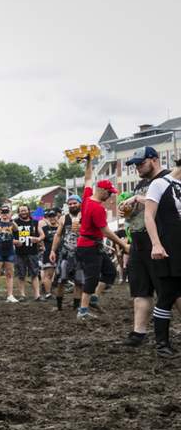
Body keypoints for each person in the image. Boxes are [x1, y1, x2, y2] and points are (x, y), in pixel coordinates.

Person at [119, 147, 176, 346]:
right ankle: (138, 333)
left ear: (154, 159)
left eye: (140, 163)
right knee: (140, 290)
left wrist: (138, 199)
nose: (137, 168)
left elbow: (169, 206)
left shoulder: (169, 178)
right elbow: (136, 213)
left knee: (171, 291)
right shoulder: (142, 183)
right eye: (135, 164)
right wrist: (127, 209)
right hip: (138, 242)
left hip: (160, 242)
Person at [75, 156, 128, 321]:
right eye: (110, 193)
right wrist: (123, 245)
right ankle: (82, 312)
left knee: (110, 272)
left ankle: (94, 300)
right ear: (103, 191)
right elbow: (105, 231)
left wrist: (89, 162)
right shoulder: (97, 208)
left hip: (92, 245)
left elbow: (88, 179)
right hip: (89, 246)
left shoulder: (86, 198)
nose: (111, 196)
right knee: (91, 278)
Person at [142, 161, 181, 357]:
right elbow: (149, 216)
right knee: (166, 294)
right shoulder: (160, 184)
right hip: (168, 248)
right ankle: (162, 344)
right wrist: (156, 244)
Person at [50, 196, 84, 312]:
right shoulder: (64, 218)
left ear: (80, 203)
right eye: (70, 204)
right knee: (61, 280)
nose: (72, 205)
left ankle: (76, 307)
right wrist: (53, 251)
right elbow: (58, 235)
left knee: (79, 281)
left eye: (75, 203)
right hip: (65, 252)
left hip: (80, 253)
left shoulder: (85, 216)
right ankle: (59, 307)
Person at [0, 205, 18, 304]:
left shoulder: (11, 223)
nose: (5, 214)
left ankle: (10, 295)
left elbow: (16, 229)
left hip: (9, 250)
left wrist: (11, 218)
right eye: (3, 212)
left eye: (7, 212)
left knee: (9, 273)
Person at [13, 205, 42, 301]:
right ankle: (22, 295)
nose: (23, 212)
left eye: (25, 210)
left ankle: (37, 295)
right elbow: (8, 235)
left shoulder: (35, 222)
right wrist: (14, 241)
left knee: (34, 273)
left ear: (29, 211)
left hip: (32, 252)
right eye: (21, 211)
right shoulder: (15, 222)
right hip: (19, 253)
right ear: (18, 212)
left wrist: (38, 239)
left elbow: (42, 235)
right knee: (21, 274)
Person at [39, 209, 60, 300]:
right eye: (50, 217)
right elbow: (40, 239)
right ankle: (48, 293)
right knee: (48, 274)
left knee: (60, 274)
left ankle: (56, 290)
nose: (52, 218)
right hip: (48, 254)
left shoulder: (61, 228)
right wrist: (42, 246)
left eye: (53, 216)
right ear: (47, 218)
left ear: (57, 217)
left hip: (61, 253)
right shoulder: (44, 229)